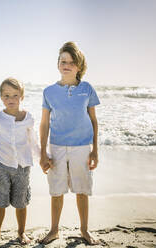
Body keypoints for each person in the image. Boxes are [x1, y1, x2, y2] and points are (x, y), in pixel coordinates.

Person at [39, 41, 100, 245]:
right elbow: (44, 124)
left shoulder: (87, 89)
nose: (67, 65)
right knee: (56, 191)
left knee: (82, 190)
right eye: (63, 61)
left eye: (72, 62)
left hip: (82, 147)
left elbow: (93, 121)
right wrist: (42, 153)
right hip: (56, 147)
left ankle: (84, 230)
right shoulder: (48, 92)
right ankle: (54, 230)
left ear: (79, 66)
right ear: (58, 64)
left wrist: (95, 151)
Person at [0, 77, 42, 245]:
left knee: (21, 201)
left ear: (22, 96)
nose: (11, 99)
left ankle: (21, 233)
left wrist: (42, 159)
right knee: (0, 201)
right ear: (1, 97)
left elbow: (33, 141)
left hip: (23, 166)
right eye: (7, 96)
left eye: (15, 95)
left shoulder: (28, 117)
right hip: (1, 165)